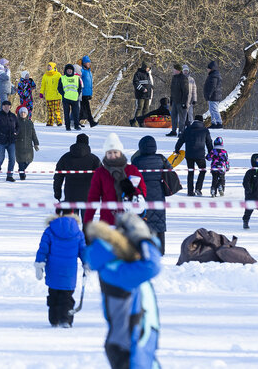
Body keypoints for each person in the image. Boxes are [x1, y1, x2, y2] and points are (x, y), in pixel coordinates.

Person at [85, 212, 162, 369]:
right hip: (129, 348)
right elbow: (152, 265)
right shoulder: (115, 270)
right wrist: (142, 238)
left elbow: (152, 252)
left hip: (135, 343)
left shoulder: (116, 264)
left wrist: (144, 237)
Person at [34, 210, 86, 328]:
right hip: (69, 270)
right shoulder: (77, 232)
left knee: (53, 294)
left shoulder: (49, 230)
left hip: (53, 269)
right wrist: (87, 263)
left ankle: (54, 319)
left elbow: (43, 249)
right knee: (67, 295)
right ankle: (66, 319)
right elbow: (83, 250)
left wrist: (39, 264)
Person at [83, 133, 147, 227]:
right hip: (108, 222)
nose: (113, 156)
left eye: (115, 152)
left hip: (130, 222)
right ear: (106, 154)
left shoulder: (132, 170)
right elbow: (93, 198)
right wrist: (87, 223)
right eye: (109, 153)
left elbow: (143, 193)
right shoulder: (100, 172)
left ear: (120, 153)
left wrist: (131, 190)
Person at [131, 135, 172, 254]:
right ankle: (161, 251)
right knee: (159, 222)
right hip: (159, 193)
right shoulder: (160, 159)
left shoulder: (137, 161)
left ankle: (145, 251)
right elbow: (170, 170)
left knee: (144, 222)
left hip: (142, 195)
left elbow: (132, 180)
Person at [54, 133, 102, 217]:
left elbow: (58, 176)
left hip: (70, 195)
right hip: (88, 195)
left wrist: (57, 192)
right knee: (87, 224)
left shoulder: (65, 157)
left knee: (72, 223)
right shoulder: (94, 159)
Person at [174, 114, 213, 196]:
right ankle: (198, 188)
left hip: (189, 155)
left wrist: (177, 149)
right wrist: (211, 153)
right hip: (200, 155)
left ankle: (190, 191)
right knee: (202, 171)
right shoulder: (205, 130)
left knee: (190, 172)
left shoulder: (188, 129)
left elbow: (180, 140)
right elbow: (209, 143)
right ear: (202, 121)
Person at [0, 100, 19, 182]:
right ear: (2, 107)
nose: (6, 107)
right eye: (4, 106)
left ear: (10, 107)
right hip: (0, 141)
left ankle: (9, 175)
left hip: (11, 141)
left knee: (12, 159)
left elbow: (18, 127)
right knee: (0, 158)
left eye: (8, 106)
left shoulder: (13, 116)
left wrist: (16, 132)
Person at [16, 106, 40, 180]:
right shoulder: (16, 122)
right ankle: (22, 175)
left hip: (28, 145)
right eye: (21, 112)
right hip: (18, 144)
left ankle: (21, 170)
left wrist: (36, 143)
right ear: (19, 113)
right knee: (20, 160)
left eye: (24, 112)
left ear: (27, 114)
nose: (23, 114)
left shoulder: (30, 123)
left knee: (29, 160)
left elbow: (33, 134)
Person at [58, 63, 82, 131]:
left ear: (72, 71)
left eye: (70, 70)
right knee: (66, 113)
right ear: (66, 71)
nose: (69, 71)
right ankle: (67, 127)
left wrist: (77, 94)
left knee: (76, 113)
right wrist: (63, 94)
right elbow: (59, 88)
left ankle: (76, 126)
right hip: (66, 99)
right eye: (68, 70)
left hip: (75, 98)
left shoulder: (76, 78)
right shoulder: (62, 78)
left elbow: (79, 87)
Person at [167, 64, 190, 137]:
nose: (173, 70)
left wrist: (184, 102)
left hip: (181, 101)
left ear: (178, 70)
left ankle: (181, 131)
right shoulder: (174, 78)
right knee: (173, 116)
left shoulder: (183, 78)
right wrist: (171, 99)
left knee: (182, 118)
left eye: (174, 69)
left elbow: (186, 91)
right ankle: (173, 131)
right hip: (174, 100)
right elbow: (172, 90)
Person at [39, 62, 63, 126]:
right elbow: (43, 85)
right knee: (49, 110)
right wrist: (41, 92)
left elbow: (62, 84)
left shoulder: (58, 74)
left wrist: (62, 91)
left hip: (56, 95)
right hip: (48, 95)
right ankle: (50, 122)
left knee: (56, 110)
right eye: (48, 66)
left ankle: (58, 121)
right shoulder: (45, 75)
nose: (48, 67)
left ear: (53, 67)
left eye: (50, 66)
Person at [131, 62, 153, 126]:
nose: (148, 69)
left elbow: (147, 83)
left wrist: (151, 87)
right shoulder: (138, 73)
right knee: (140, 108)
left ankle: (143, 123)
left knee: (146, 109)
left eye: (149, 68)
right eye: (147, 68)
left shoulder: (147, 74)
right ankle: (135, 122)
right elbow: (136, 83)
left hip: (147, 95)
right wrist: (142, 89)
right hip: (141, 95)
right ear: (144, 67)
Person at [203, 60, 223, 129]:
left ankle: (219, 122)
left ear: (211, 68)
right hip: (213, 96)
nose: (207, 70)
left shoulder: (214, 76)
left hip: (214, 96)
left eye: (208, 68)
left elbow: (212, 86)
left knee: (214, 109)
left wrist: (209, 94)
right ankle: (214, 122)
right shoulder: (212, 75)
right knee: (211, 109)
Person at [80, 56, 98, 127]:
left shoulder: (89, 71)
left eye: (89, 62)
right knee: (86, 108)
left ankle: (77, 120)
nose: (88, 64)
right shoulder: (82, 71)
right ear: (83, 63)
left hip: (87, 93)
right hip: (83, 93)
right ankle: (91, 121)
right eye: (86, 62)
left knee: (83, 109)